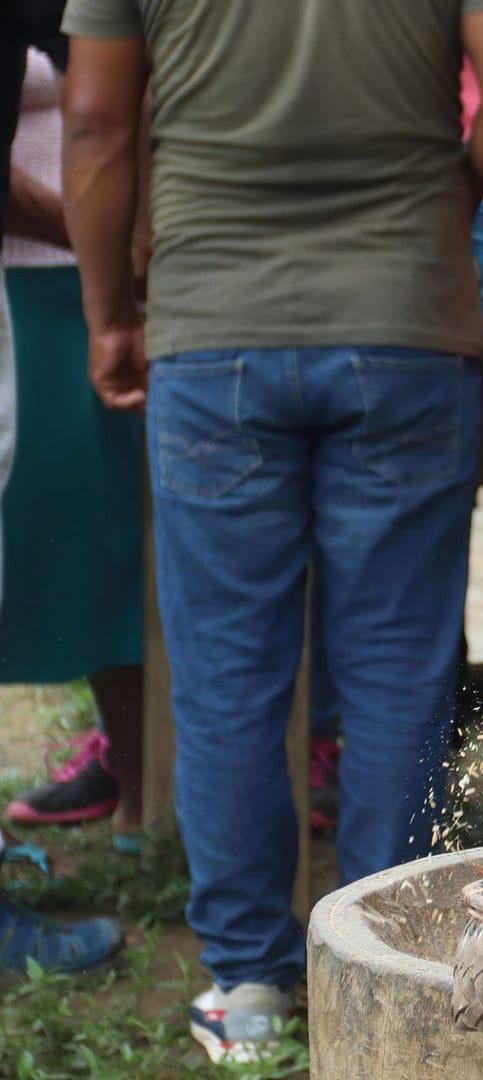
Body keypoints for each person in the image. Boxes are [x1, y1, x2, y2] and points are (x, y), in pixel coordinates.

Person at [59, 0, 483, 1062]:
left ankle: (247, 983)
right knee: (395, 665)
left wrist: (110, 312)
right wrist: (442, 189)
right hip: (406, 321)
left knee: (228, 672)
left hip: (214, 325)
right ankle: (380, 961)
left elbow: (96, 123)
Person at [0, 0, 124, 979]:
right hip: (39, 280)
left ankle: (125, 767)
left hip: (77, 286)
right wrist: (94, 236)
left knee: (107, 550)